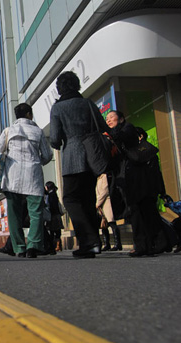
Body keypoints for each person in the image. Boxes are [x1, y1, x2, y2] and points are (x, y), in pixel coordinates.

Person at [49, 71, 109, 258]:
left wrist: (59, 142)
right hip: (92, 156)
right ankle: (94, 243)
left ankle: (89, 241)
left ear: (60, 88)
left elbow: (55, 138)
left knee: (71, 199)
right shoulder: (88, 103)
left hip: (73, 158)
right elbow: (102, 126)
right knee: (89, 200)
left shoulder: (58, 108)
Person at [0, 103, 53, 258]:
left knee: (14, 215)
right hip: (33, 176)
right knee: (36, 213)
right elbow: (47, 155)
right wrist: (35, 161)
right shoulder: (38, 131)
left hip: (12, 177)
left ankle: (19, 248)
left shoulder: (8, 131)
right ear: (29, 114)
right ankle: (33, 246)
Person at [107, 113, 168, 256]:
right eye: (106, 119)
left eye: (111, 117)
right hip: (131, 177)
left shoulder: (128, 128)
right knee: (143, 211)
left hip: (136, 178)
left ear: (121, 119)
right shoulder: (120, 132)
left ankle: (144, 245)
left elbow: (121, 138)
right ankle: (157, 243)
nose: (108, 120)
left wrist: (110, 133)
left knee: (138, 210)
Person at [95, 173, 122, 251]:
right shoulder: (97, 179)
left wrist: (98, 203)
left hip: (106, 202)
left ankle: (117, 243)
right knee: (104, 225)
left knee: (112, 223)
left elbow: (105, 190)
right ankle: (106, 243)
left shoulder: (104, 177)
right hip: (101, 205)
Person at [44, 181, 64, 253]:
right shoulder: (54, 194)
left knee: (52, 231)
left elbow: (49, 205)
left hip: (52, 215)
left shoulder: (50, 195)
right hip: (57, 215)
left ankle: (54, 246)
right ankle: (58, 245)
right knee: (57, 231)